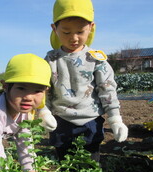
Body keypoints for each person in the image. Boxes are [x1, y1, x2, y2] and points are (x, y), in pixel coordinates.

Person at [42, 0, 128, 162]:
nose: (74, 38)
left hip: (90, 120)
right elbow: (44, 89)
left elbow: (107, 89)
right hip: (61, 120)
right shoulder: (51, 59)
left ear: (91, 27)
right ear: (54, 28)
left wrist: (115, 118)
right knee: (65, 164)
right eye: (66, 32)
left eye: (80, 32)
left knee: (91, 164)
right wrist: (44, 112)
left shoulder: (95, 59)